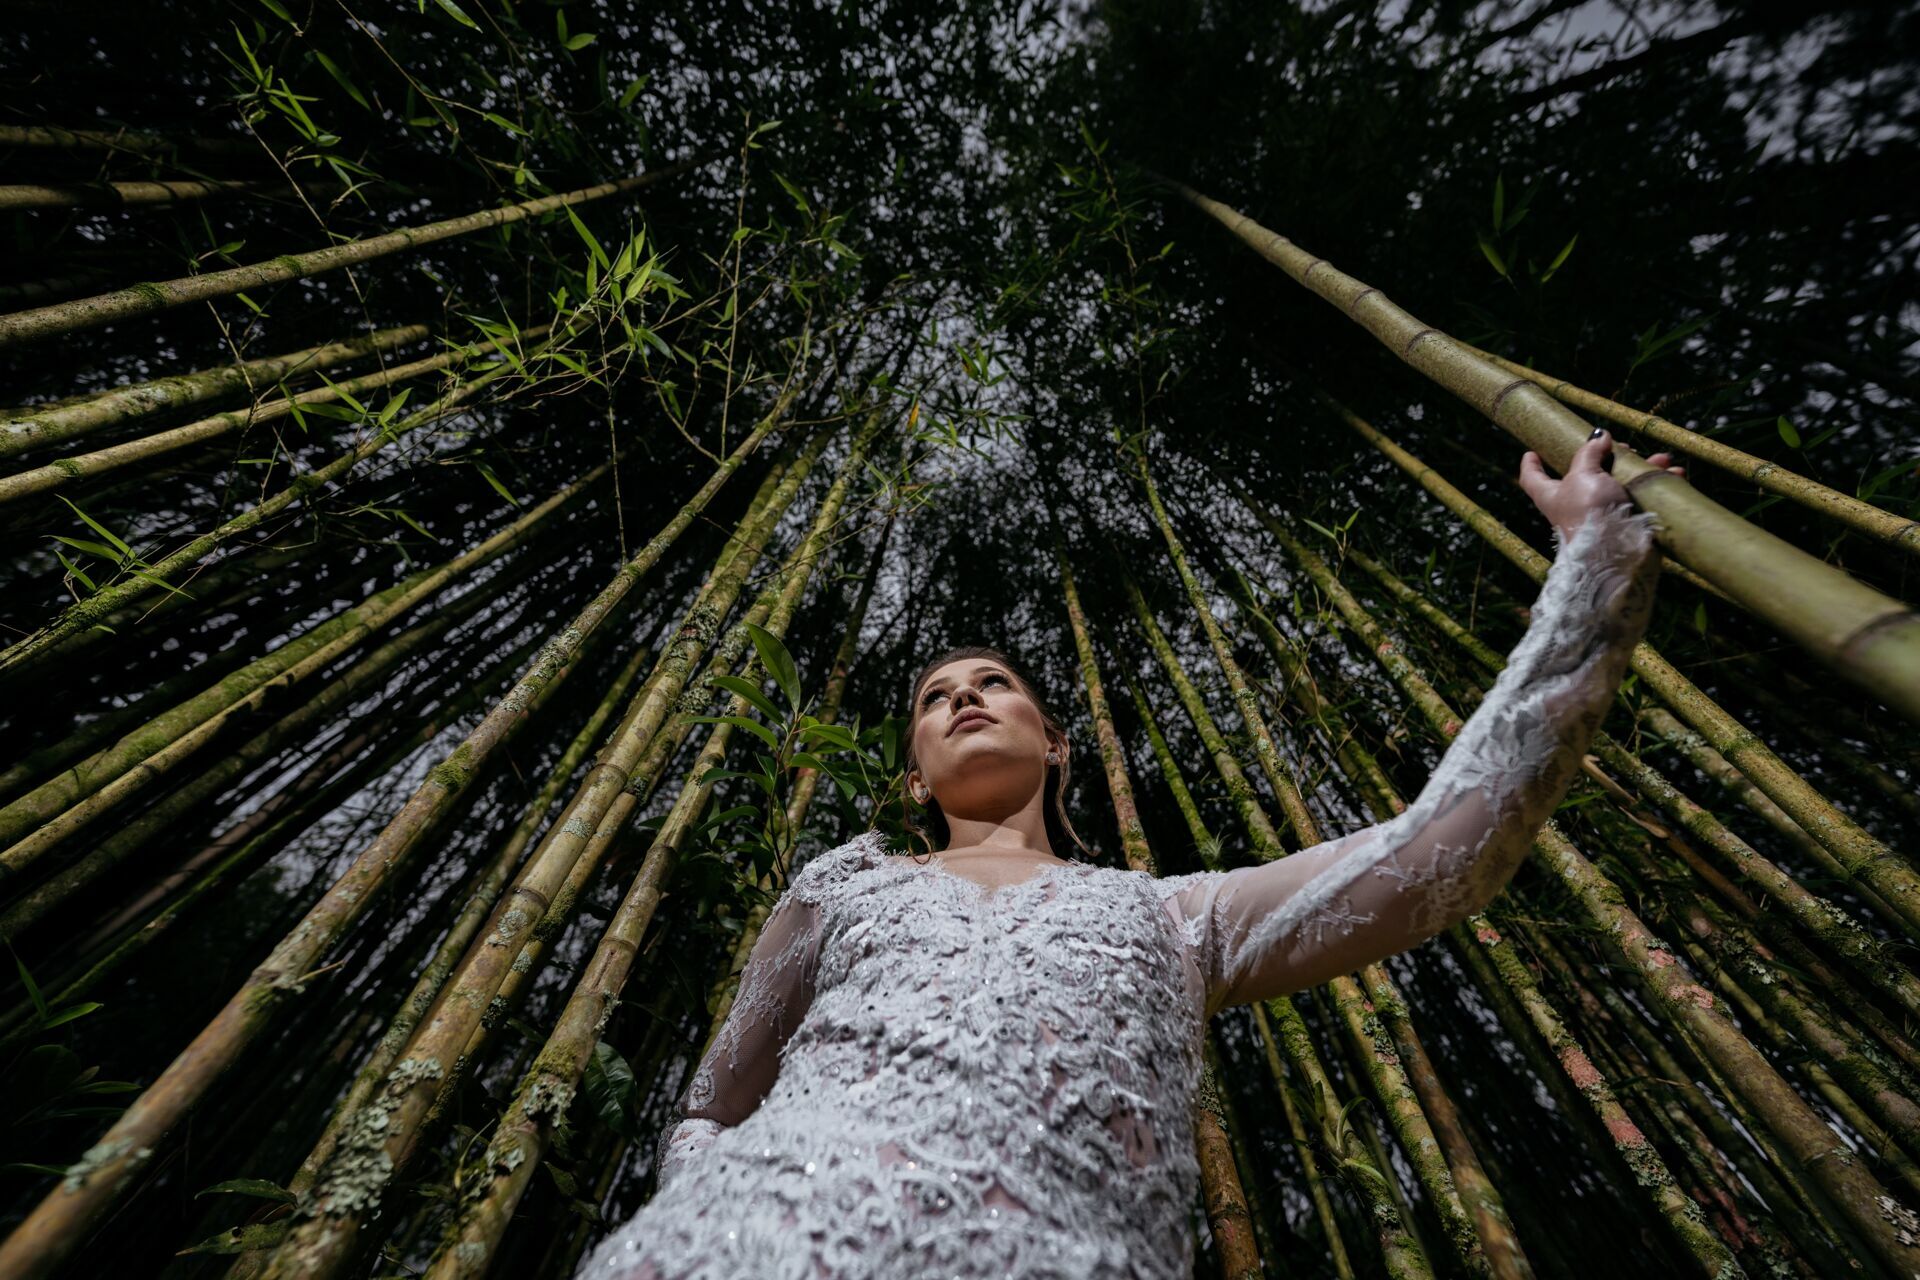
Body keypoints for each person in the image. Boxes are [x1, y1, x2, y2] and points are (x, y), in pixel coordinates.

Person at [578, 430, 1679, 1279]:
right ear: (914, 776)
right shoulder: (838, 884)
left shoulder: (1175, 914)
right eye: (935, 697)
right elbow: (710, 1106)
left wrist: (1594, 561)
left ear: (1056, 741)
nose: (963, 696)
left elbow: (1443, 850)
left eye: (993, 682)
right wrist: (712, 1207)